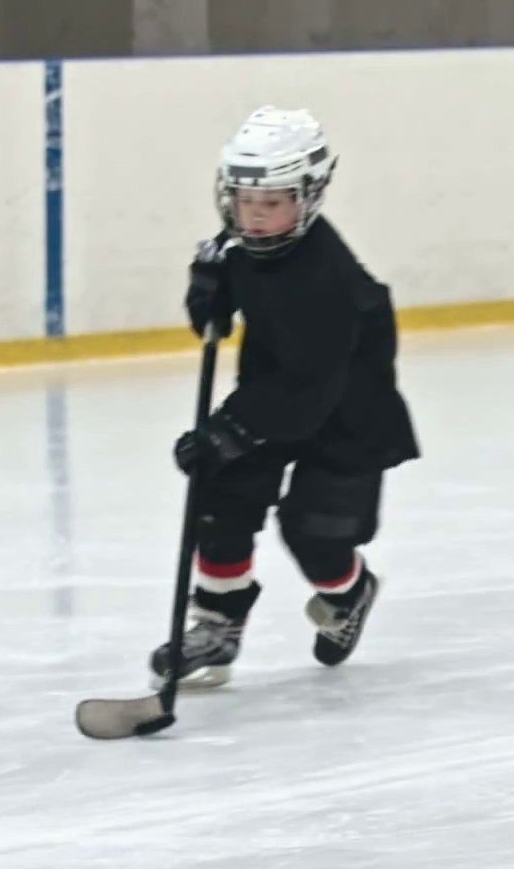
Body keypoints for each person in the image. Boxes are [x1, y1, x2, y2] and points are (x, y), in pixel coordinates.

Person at [149, 105, 421, 689]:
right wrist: (208, 293)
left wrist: (229, 433)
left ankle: (349, 595)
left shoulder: (329, 281)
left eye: (271, 204)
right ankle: (217, 627)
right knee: (220, 497)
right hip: (276, 396)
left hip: (348, 416)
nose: (255, 217)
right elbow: (219, 319)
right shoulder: (243, 245)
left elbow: (309, 388)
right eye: (246, 203)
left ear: (309, 196)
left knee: (313, 534)